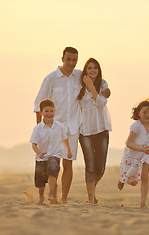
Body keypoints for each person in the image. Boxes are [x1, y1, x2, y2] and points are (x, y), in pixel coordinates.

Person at [34, 47, 110, 204]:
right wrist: (40, 130)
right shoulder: (51, 78)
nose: (71, 63)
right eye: (68, 59)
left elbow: (97, 81)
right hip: (53, 128)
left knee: (68, 164)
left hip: (74, 128)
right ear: (62, 59)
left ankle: (63, 199)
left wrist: (107, 90)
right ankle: (51, 196)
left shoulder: (79, 76)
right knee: (53, 163)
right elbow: (38, 105)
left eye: (74, 60)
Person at [77, 58, 112, 204]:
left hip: (101, 129)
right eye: (90, 68)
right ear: (85, 70)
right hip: (84, 130)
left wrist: (91, 86)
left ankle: (92, 192)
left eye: (95, 68)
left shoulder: (103, 84)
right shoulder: (78, 85)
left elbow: (101, 103)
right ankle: (91, 198)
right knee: (90, 165)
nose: (93, 71)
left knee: (101, 168)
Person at [117, 99, 149, 208]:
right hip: (133, 153)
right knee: (132, 181)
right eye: (144, 112)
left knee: (145, 178)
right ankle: (123, 180)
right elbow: (129, 143)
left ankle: (143, 203)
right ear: (138, 113)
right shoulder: (136, 126)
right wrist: (141, 150)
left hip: (145, 154)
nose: (147, 115)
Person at [30, 99, 72, 204]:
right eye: (46, 111)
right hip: (41, 157)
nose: (49, 113)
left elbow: (64, 139)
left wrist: (69, 150)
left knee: (53, 170)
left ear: (55, 112)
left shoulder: (60, 127)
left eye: (51, 111)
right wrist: (39, 153)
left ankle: (51, 193)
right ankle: (41, 198)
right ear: (41, 113)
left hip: (55, 155)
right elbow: (34, 145)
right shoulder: (38, 129)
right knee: (40, 180)